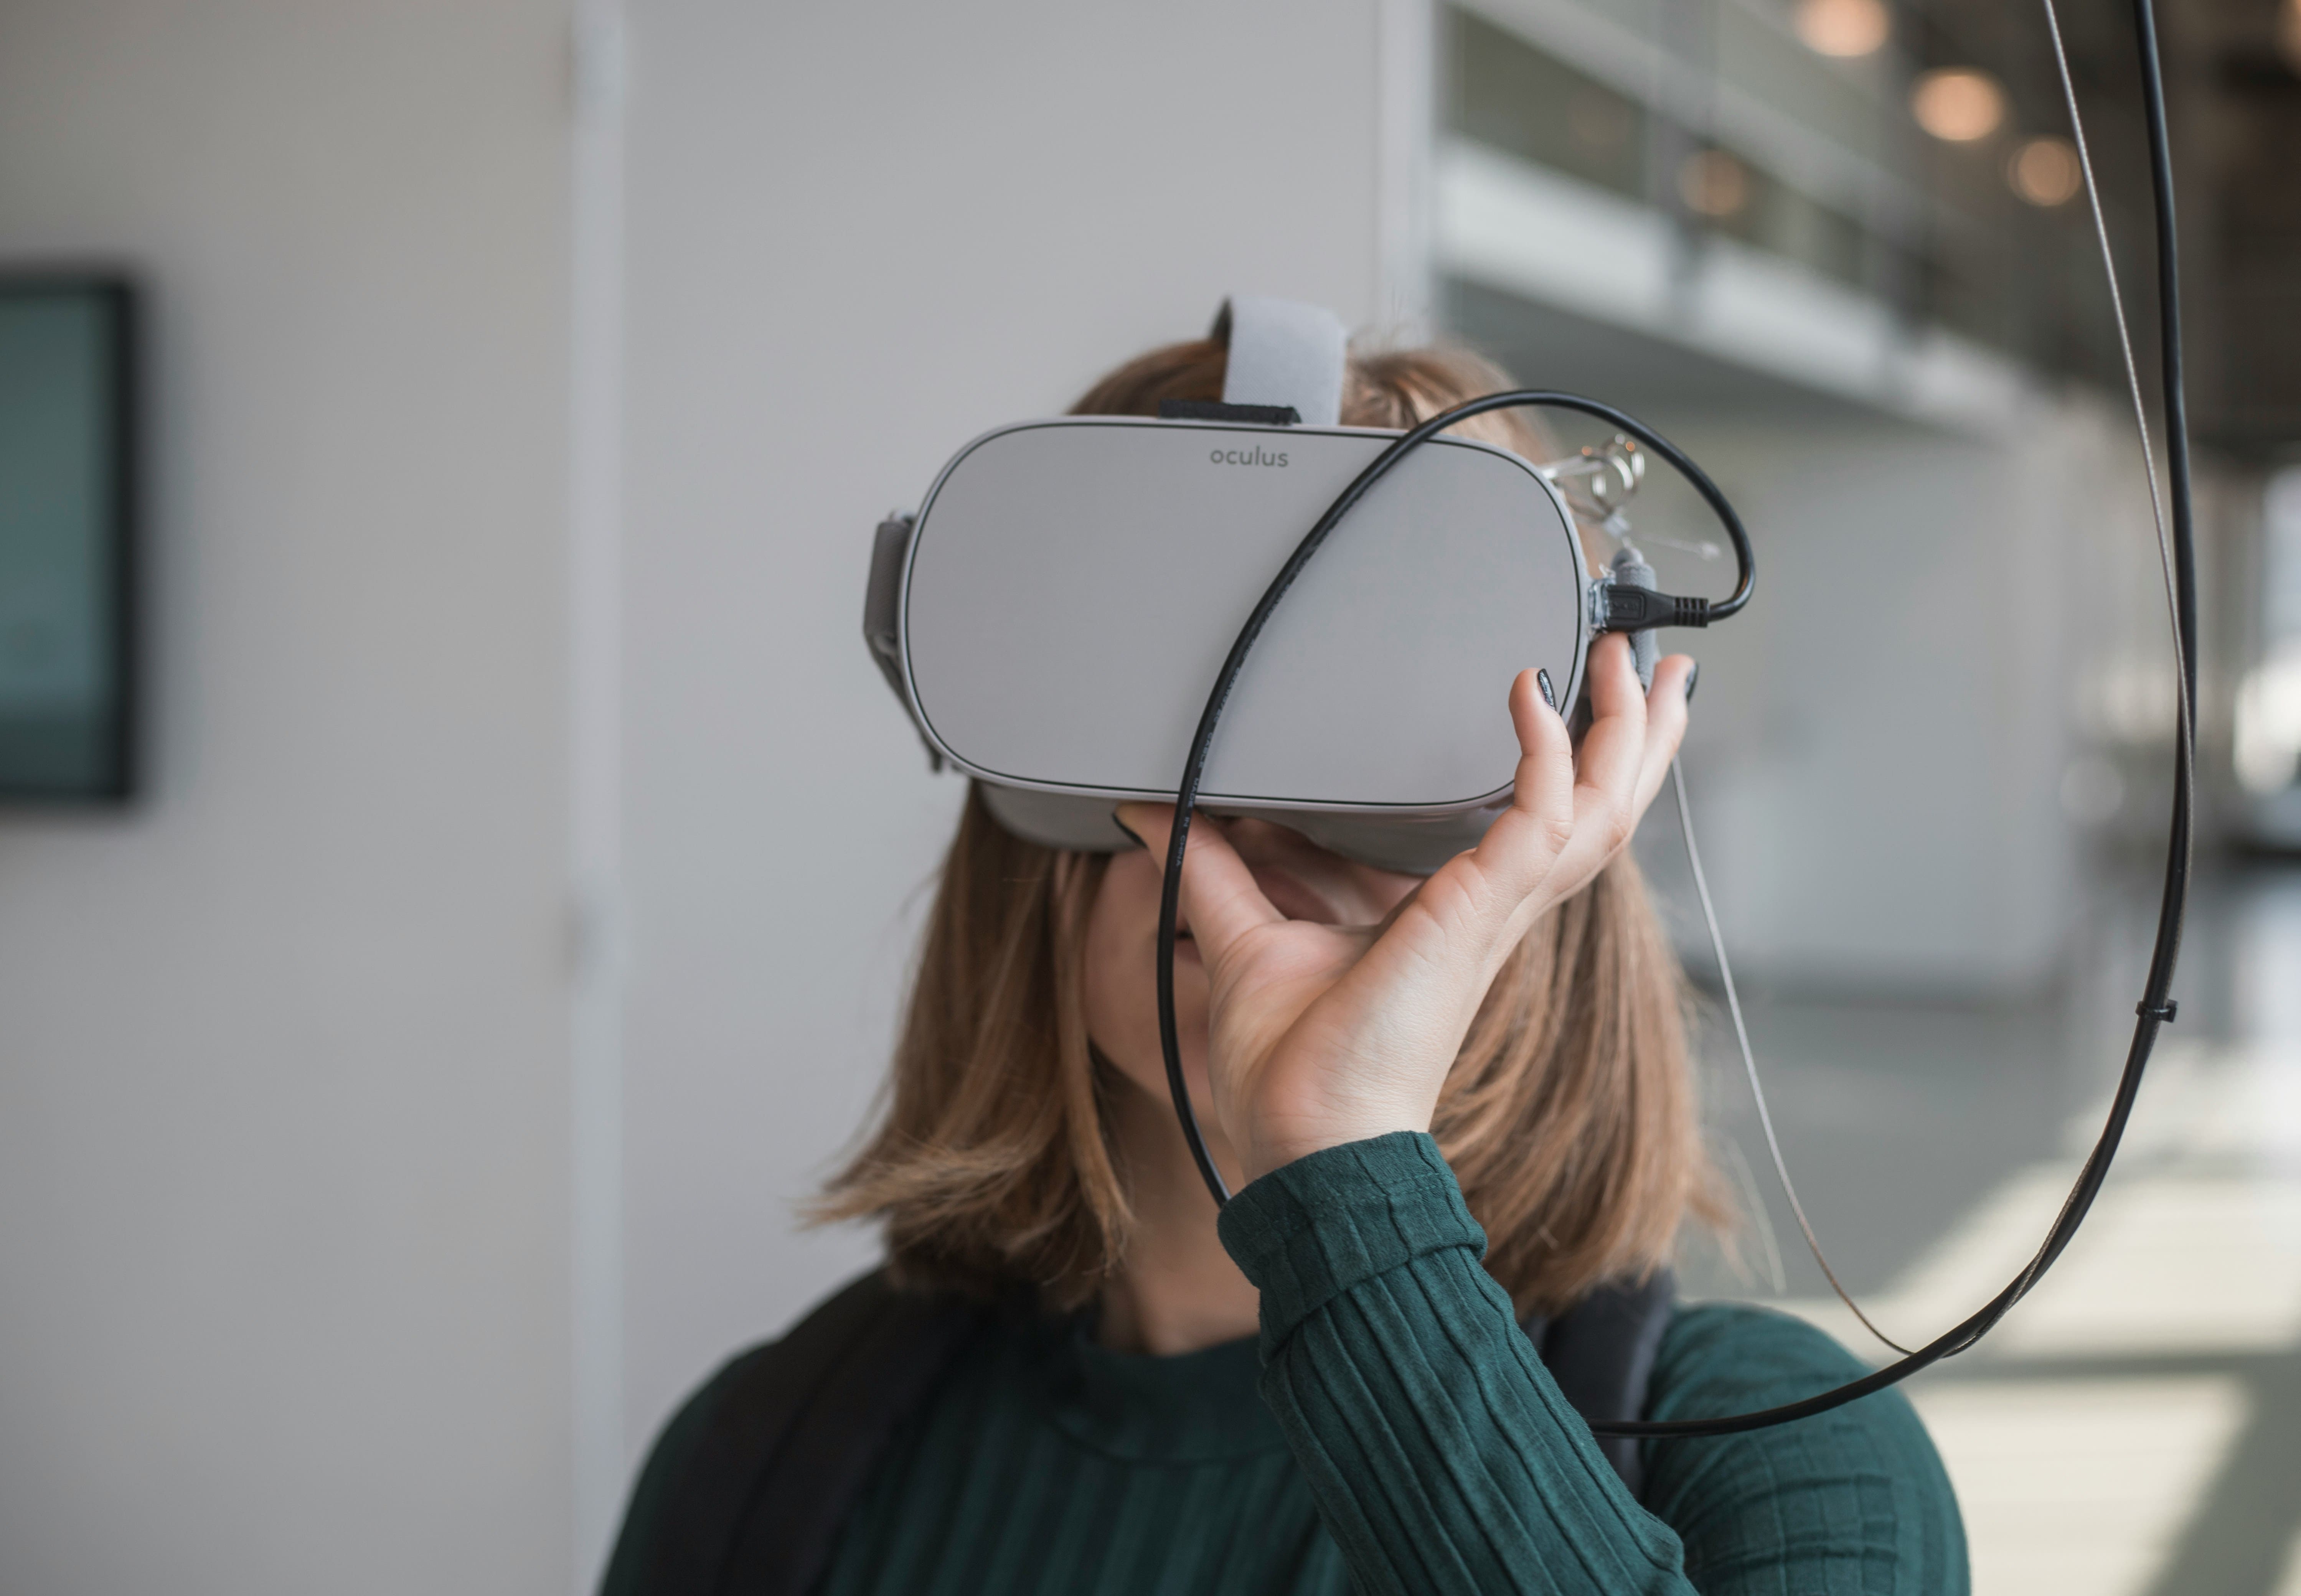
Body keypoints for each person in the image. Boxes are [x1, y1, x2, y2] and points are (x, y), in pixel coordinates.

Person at [603, 336, 1968, 1595]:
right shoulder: (768, 1462)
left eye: (1384, 733)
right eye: (1171, 708)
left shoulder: (1783, 1461)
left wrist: (1341, 1161)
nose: (1247, 830)